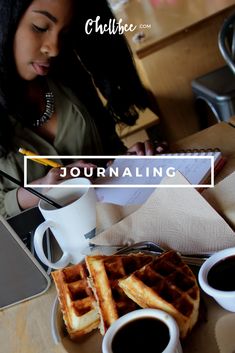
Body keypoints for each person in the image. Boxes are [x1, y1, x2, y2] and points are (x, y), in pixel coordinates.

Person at [0, 0, 159, 218]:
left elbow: (106, 151)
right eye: (40, 27)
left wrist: (127, 162)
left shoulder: (68, 74)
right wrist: (40, 190)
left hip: (116, 225)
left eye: (64, 33)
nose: (53, 49)